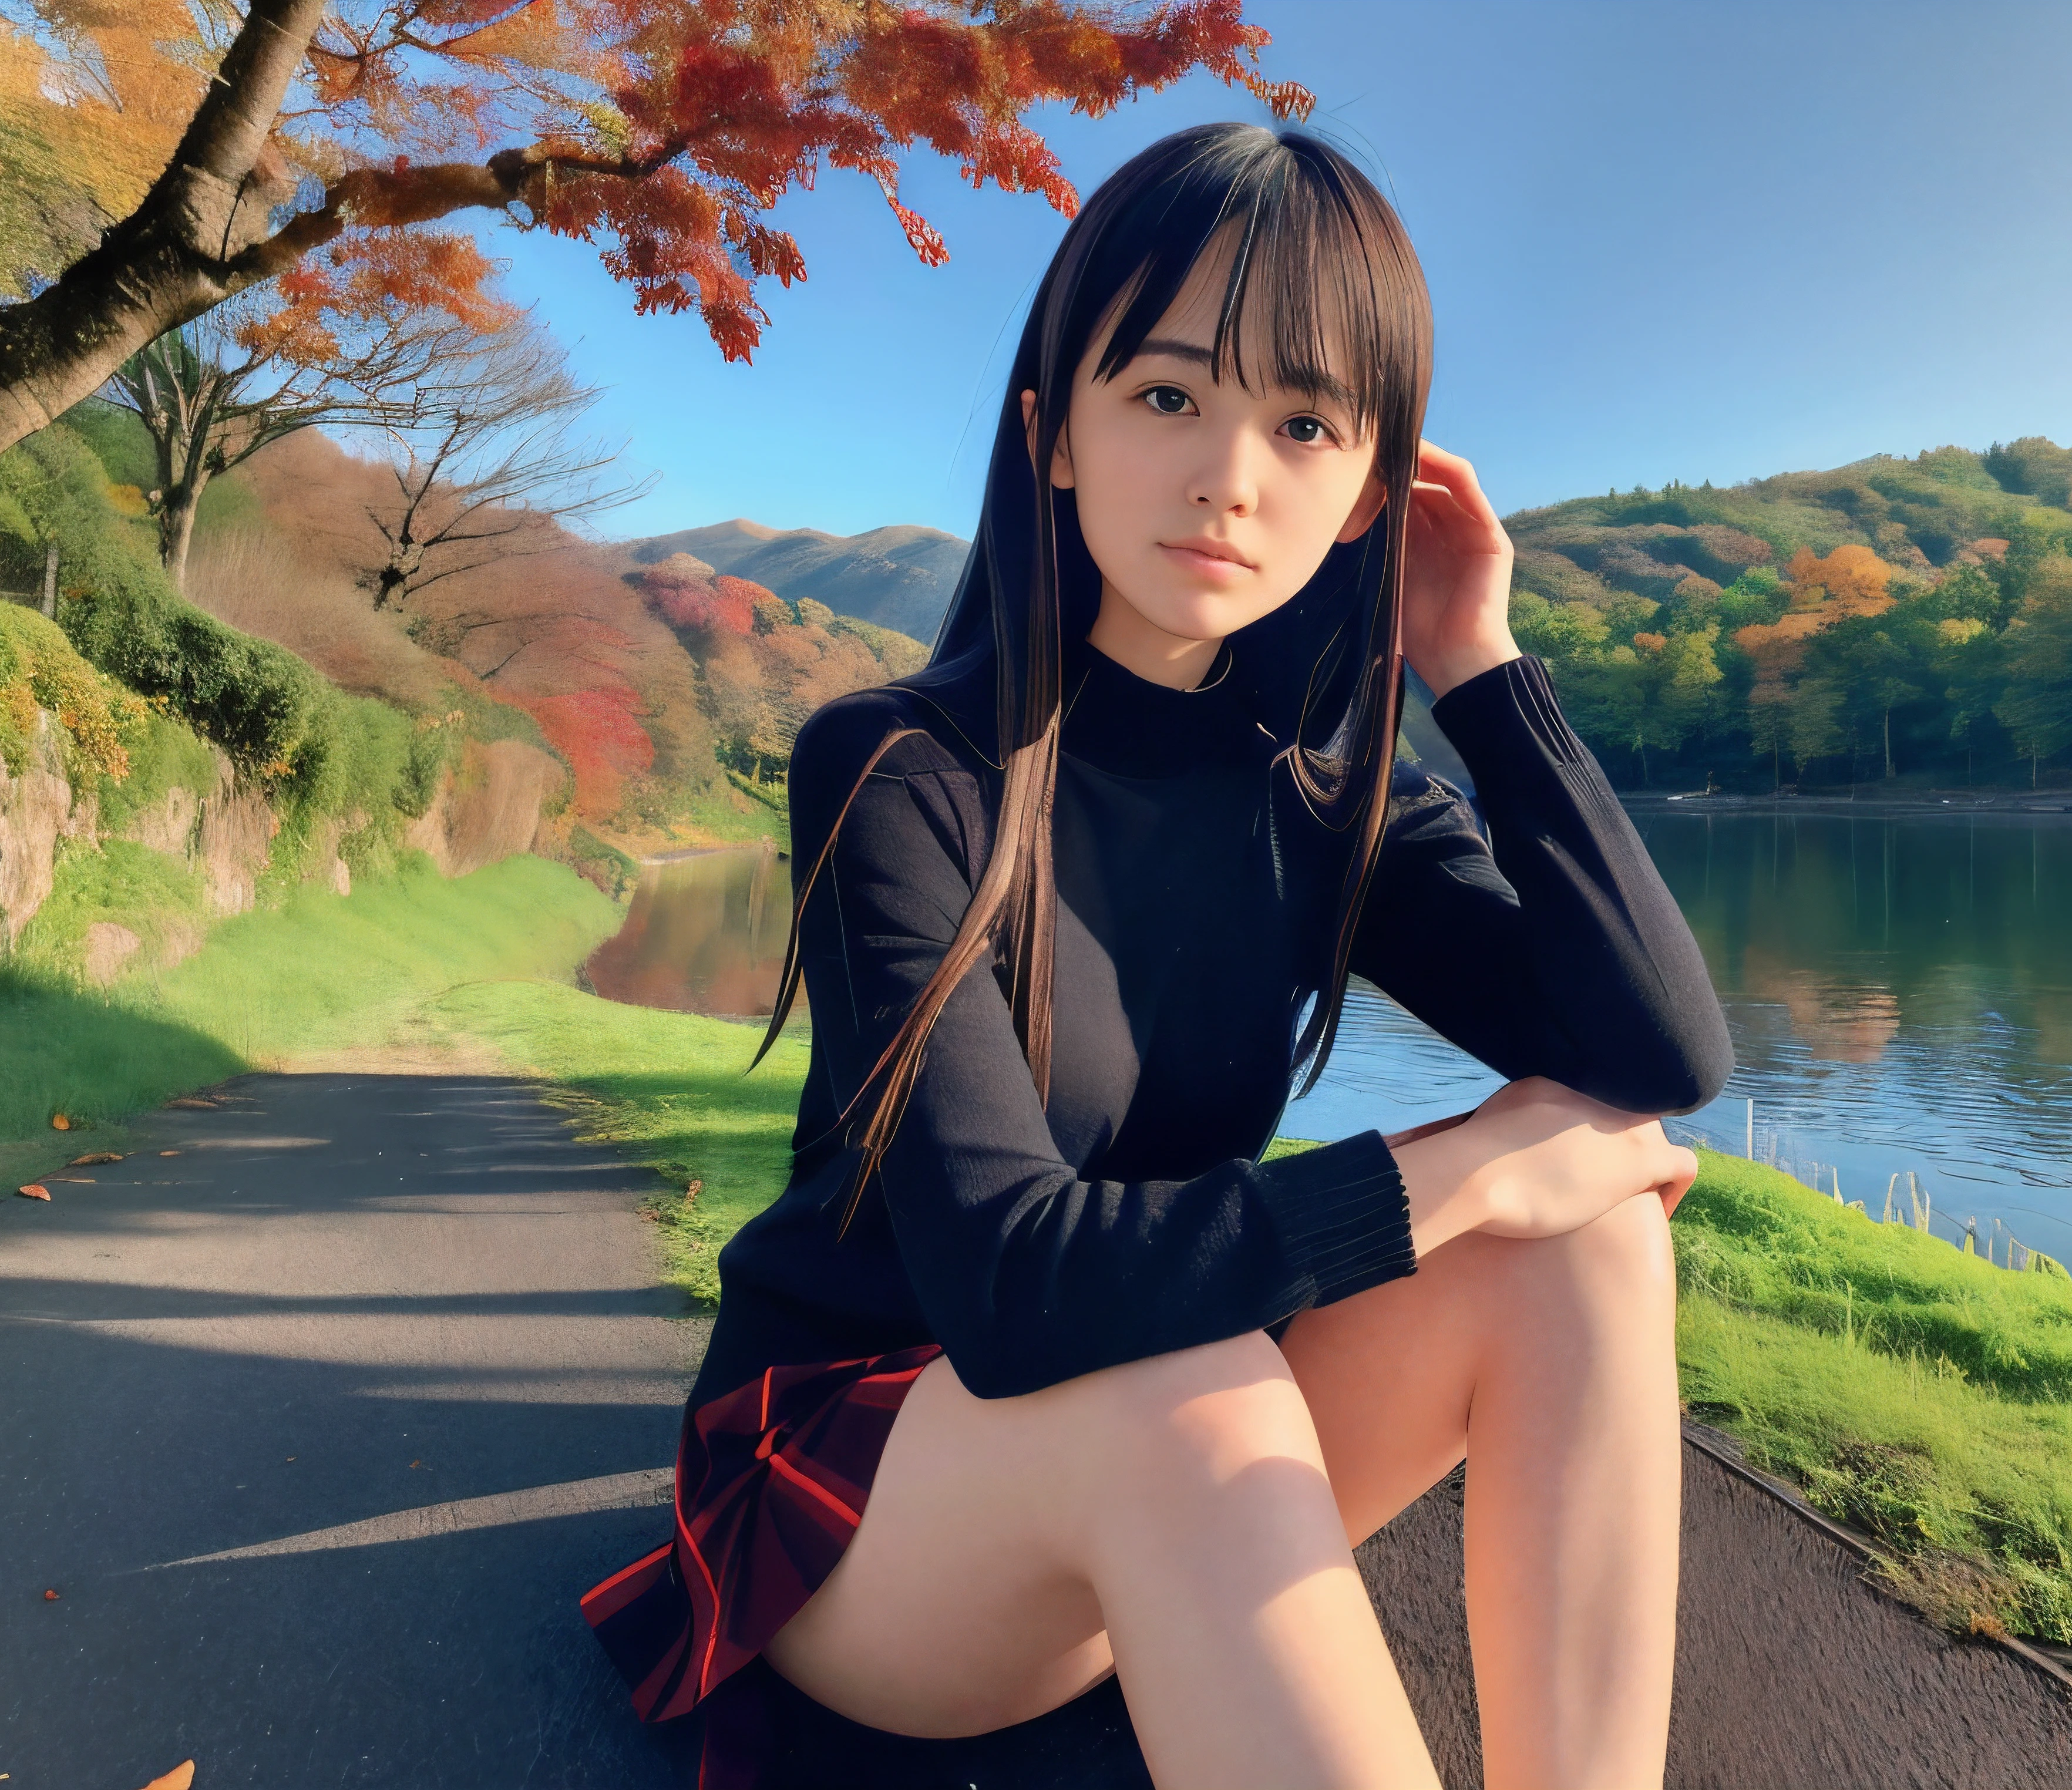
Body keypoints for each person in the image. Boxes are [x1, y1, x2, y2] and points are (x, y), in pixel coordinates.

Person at [581, 122, 1733, 1790]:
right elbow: (1019, 1291)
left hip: (1171, 1426)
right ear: (1057, 436)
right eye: (1171, 396)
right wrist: (1473, 1164)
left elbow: (1658, 1059)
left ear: (1369, 496)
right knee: (1192, 1385)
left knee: (1596, 1247)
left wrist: (1479, 662)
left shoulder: (1336, 811)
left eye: (1306, 423)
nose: (1232, 478)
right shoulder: (902, 773)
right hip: (870, 1490)